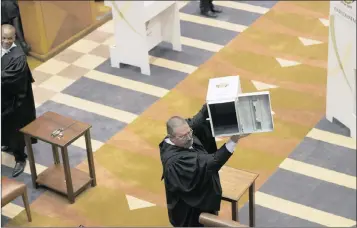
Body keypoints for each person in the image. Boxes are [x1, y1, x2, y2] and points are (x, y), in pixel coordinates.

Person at [159, 104, 249, 227]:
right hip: (189, 211)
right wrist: (233, 140)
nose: (189, 137)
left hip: (200, 198)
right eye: (183, 136)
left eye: (189, 132)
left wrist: (211, 104)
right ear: (171, 137)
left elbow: (196, 121)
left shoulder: (181, 134)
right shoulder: (176, 162)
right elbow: (210, 163)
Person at [1, 24, 37, 177]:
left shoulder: (19, 56)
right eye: (4, 38)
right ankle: (7, 145)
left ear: (15, 37)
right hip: (4, 99)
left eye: (10, 38)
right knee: (5, 126)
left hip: (17, 101)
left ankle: (20, 158)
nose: (7, 41)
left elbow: (13, 79)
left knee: (16, 129)